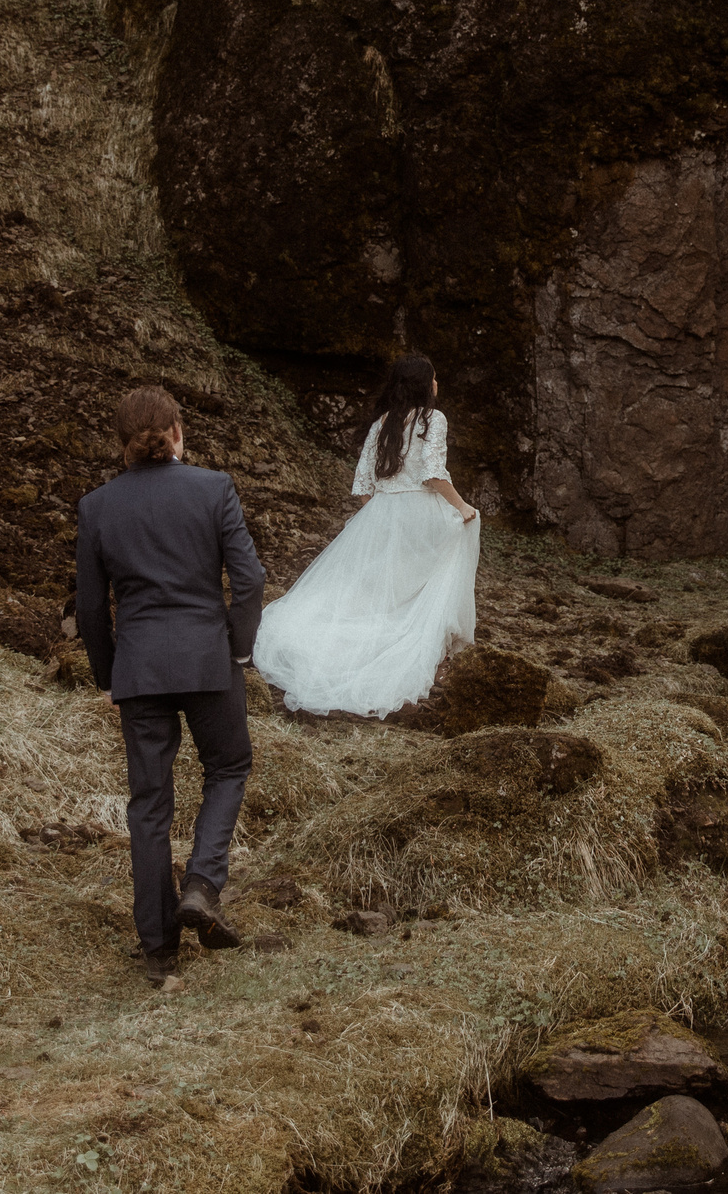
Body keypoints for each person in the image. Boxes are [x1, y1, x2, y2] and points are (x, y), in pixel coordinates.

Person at [75, 385, 265, 989]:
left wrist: (110, 676)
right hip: (209, 660)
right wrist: (237, 645)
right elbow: (252, 580)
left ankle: (158, 948)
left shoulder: (97, 506)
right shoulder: (214, 488)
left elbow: (88, 608)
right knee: (228, 768)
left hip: (140, 671)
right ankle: (203, 885)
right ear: (178, 432)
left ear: (121, 443)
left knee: (148, 808)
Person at [253, 354, 481, 717]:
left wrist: (383, 517)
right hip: (422, 513)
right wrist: (462, 507)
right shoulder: (432, 418)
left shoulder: (382, 424)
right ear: (425, 384)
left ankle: (372, 655)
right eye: (435, 378)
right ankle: (427, 665)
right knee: (431, 585)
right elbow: (433, 474)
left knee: (382, 594)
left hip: (383, 513)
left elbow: (363, 486)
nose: (438, 384)